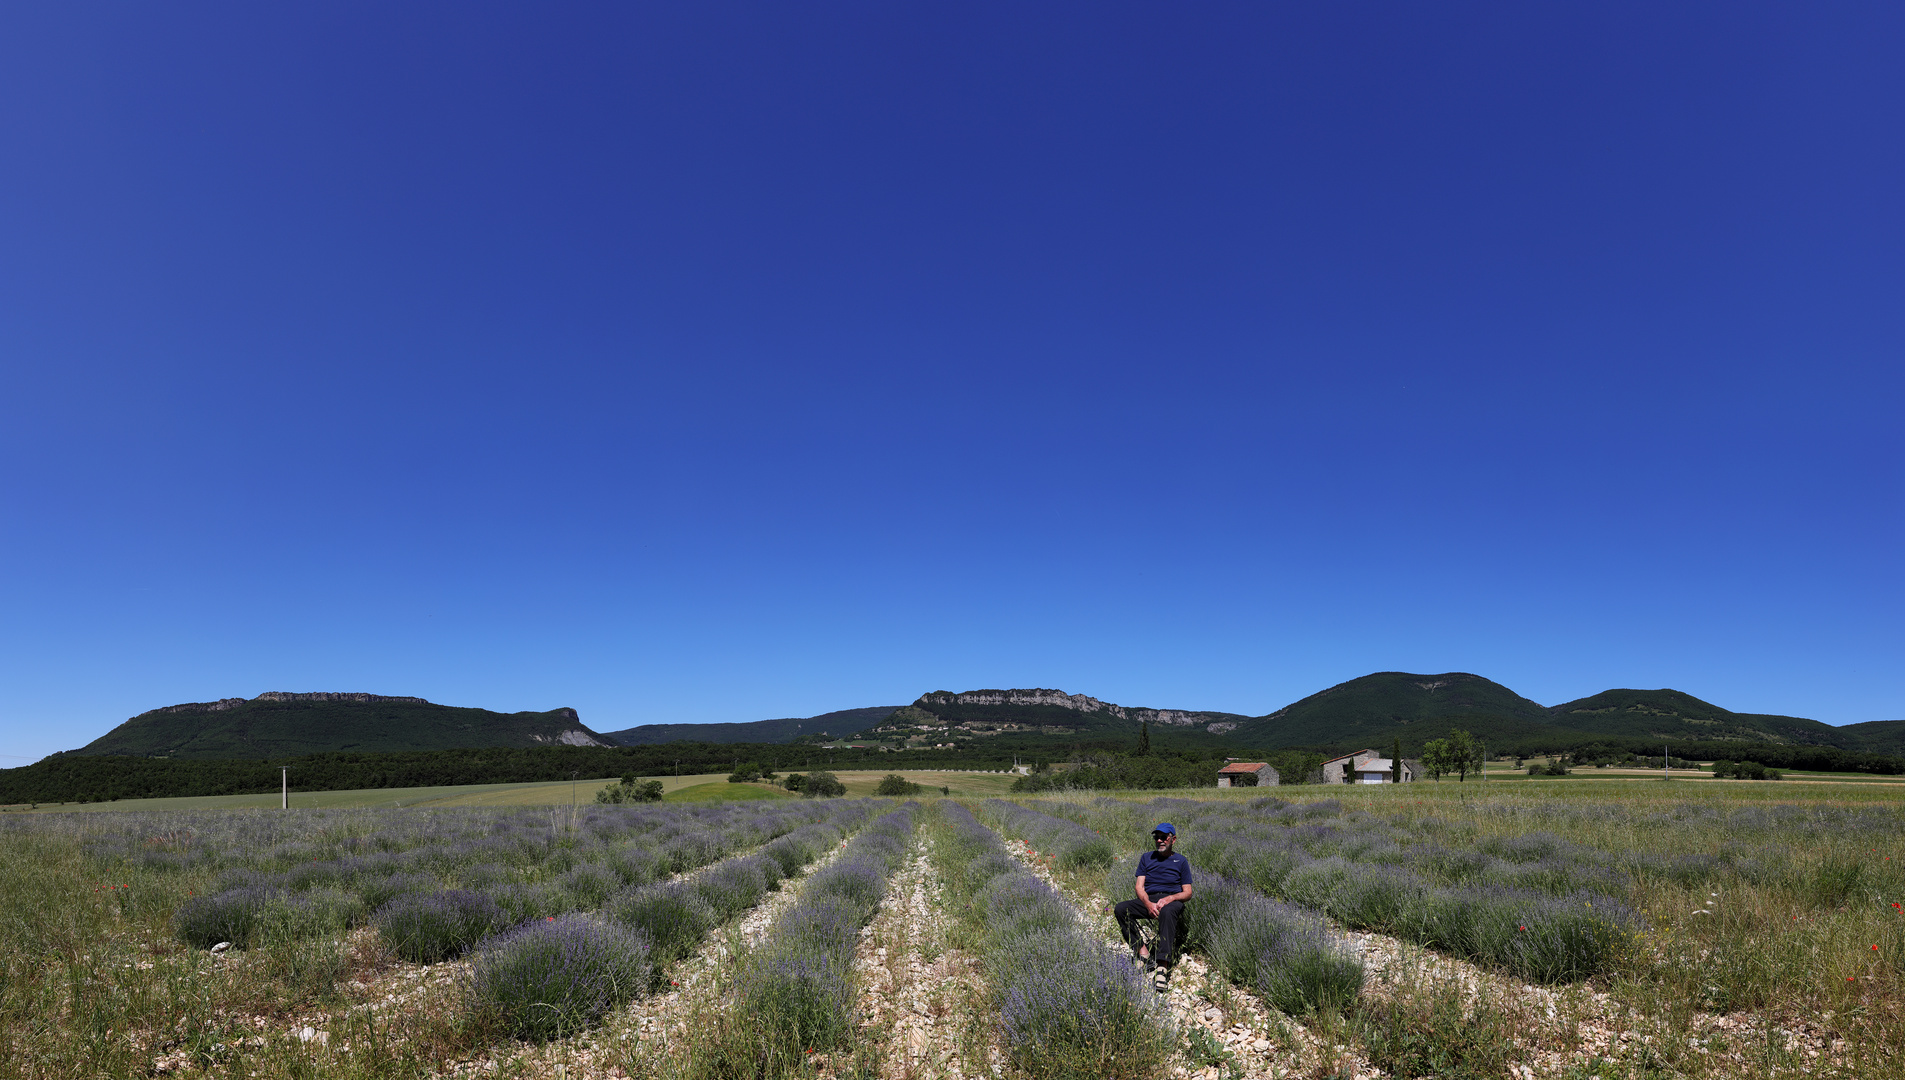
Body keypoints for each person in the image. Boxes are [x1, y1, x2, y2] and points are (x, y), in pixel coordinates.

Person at [1114, 822, 1192, 991]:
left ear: (1173, 839)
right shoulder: (1146, 857)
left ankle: (1162, 965)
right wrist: (1148, 904)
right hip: (1150, 899)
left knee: (1168, 912)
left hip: (1171, 901)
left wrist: (1170, 898)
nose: (1160, 841)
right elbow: (1139, 887)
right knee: (1121, 909)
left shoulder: (1181, 861)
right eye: (1157, 837)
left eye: (1164, 837)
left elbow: (1188, 893)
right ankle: (1143, 952)